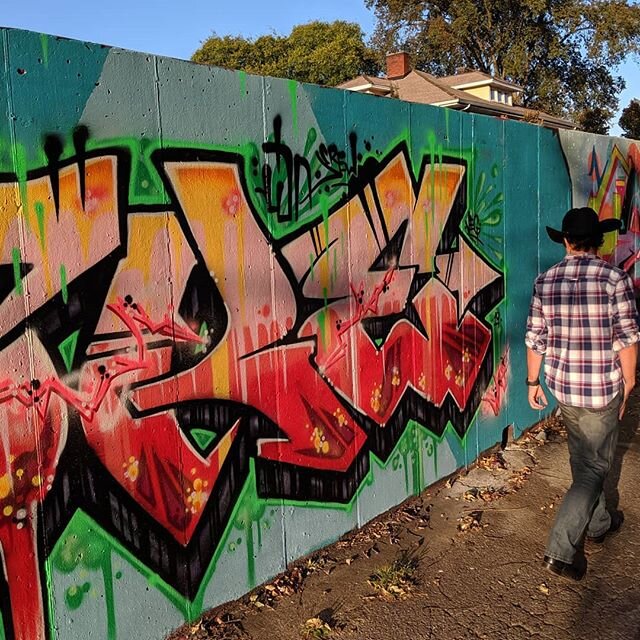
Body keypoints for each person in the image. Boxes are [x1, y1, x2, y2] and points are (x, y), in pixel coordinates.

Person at [525, 206, 639, 581]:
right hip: (601, 388)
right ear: (599, 241)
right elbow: (627, 338)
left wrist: (531, 382)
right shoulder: (614, 279)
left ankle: (599, 523)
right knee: (594, 465)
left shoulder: (545, 281)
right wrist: (630, 382)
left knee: (584, 458)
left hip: (564, 387)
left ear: (567, 241)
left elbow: (535, 340)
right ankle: (561, 549)